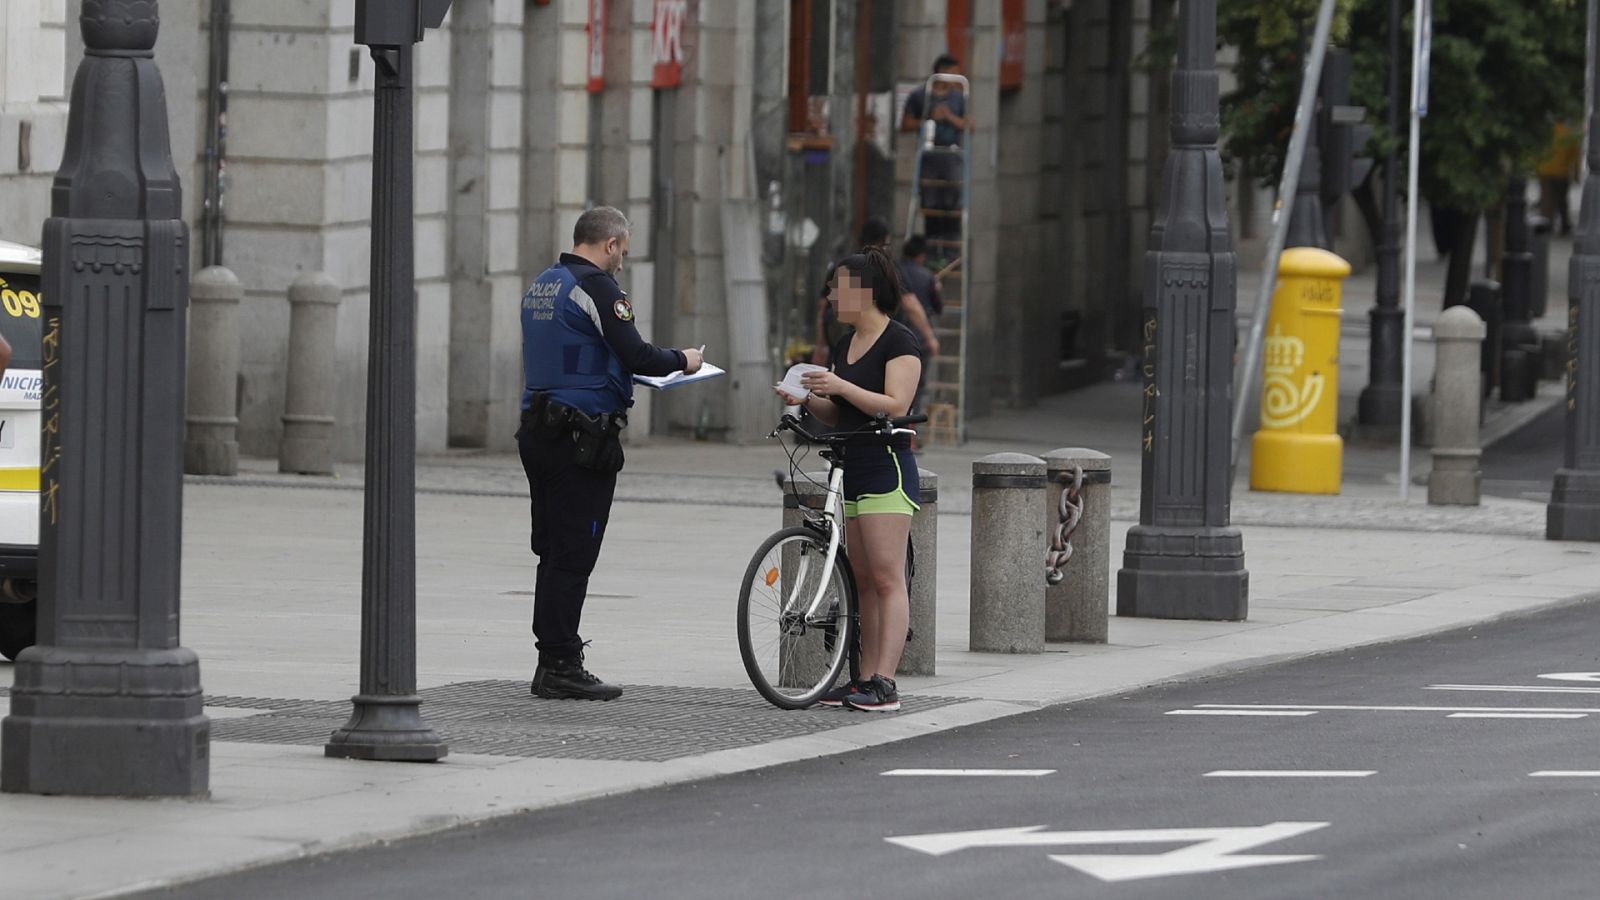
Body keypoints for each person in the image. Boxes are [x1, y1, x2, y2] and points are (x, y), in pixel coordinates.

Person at [519, 206, 704, 701]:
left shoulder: (544, 283)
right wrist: (685, 362)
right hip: (581, 438)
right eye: (624, 249)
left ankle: (551, 656)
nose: (623, 260)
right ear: (611, 244)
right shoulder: (598, 287)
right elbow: (637, 354)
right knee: (575, 551)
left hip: (539, 430)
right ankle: (560, 663)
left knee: (553, 549)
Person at [777, 247, 921, 713]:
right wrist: (804, 397)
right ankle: (862, 679)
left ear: (866, 292)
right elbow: (839, 411)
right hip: (852, 463)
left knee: (886, 576)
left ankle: (886, 682)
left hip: (886, 466)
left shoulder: (900, 342)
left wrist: (839, 385)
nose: (832, 296)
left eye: (839, 287)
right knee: (861, 577)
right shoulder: (846, 344)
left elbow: (895, 404)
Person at [811, 217, 939, 367]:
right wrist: (929, 337)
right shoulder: (887, 268)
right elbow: (910, 303)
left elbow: (822, 308)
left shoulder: (844, 266)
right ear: (885, 240)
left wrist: (821, 344)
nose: (835, 299)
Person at [901, 55, 969, 252]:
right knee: (930, 203)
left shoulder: (958, 98)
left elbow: (969, 124)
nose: (956, 78)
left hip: (952, 156)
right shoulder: (920, 95)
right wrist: (928, 118)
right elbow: (905, 125)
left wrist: (949, 116)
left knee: (952, 203)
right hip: (929, 156)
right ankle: (931, 249)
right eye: (953, 73)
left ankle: (950, 251)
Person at [1538, 121, 1581, 236]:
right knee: (1562, 200)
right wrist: (1576, 175)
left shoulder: (1547, 133)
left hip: (1545, 171)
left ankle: (1547, 225)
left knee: (1546, 201)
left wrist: (1537, 168)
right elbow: (1575, 157)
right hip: (1562, 173)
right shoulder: (1569, 134)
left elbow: (1539, 152)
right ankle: (1564, 225)